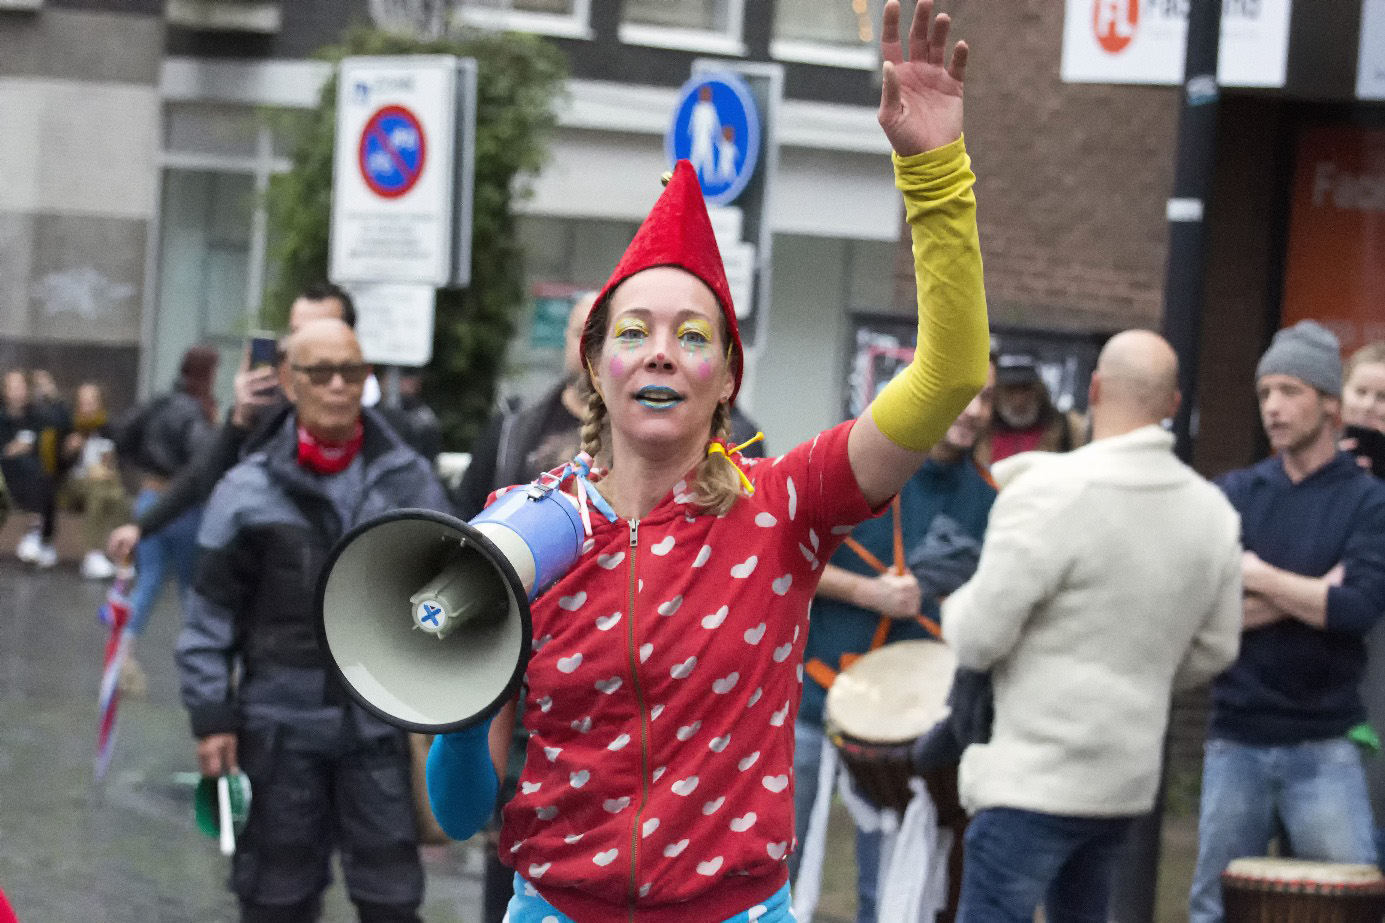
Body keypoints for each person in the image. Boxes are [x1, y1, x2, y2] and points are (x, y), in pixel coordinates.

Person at [424, 2, 990, 920]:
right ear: (594, 365)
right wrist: (448, 696)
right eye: (633, 331)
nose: (658, 352)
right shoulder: (519, 526)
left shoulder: (786, 504)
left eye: (692, 336)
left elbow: (952, 369)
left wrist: (932, 173)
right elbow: (459, 814)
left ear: (727, 374)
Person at [939, 330, 1243, 921]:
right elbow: (1216, 647)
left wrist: (954, 606)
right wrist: (1143, 670)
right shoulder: (1214, 513)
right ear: (1174, 406)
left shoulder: (1050, 491)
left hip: (1030, 780)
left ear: (1095, 389)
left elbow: (979, 637)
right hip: (1124, 783)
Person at [176, 319, 452, 923]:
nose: (336, 385)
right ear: (286, 381)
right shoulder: (245, 490)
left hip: (381, 729)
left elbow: (453, 596)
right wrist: (210, 717)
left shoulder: (409, 479)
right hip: (276, 729)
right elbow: (209, 614)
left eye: (351, 371)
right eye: (318, 372)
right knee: (275, 898)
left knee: (392, 899)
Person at [1189, 320, 1385, 923]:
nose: (1273, 407)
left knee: (1354, 907)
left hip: (1325, 740)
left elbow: (1356, 609)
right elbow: (1207, 615)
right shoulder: (1235, 495)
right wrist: (1313, 591)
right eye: (1265, 392)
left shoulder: (1368, 500)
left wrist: (1258, 574)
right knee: (1214, 909)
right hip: (1236, 737)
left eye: (1290, 391)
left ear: (1330, 402)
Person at [793, 357, 997, 922]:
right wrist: (867, 592)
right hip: (815, 699)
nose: (975, 410)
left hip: (907, 724)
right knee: (774, 864)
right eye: (965, 393)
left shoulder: (987, 499)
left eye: (986, 398)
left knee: (886, 891)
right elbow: (790, 557)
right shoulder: (859, 465)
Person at [106, 283, 358, 565]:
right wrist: (239, 420)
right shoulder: (267, 410)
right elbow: (206, 479)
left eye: (318, 332)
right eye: (296, 332)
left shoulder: (377, 429)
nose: (298, 345)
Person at [121, 346, 218, 637]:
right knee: (191, 586)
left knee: (148, 578)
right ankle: (201, 654)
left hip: (149, 498)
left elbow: (123, 433)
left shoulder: (158, 404)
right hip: (183, 506)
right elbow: (203, 461)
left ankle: (122, 653)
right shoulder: (196, 412)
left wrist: (136, 470)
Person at [60, 383, 129, 580]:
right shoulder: (68, 425)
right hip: (72, 485)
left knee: (118, 496)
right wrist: (69, 451)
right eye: (84, 403)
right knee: (101, 490)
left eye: (93, 402)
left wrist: (109, 466)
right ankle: (93, 554)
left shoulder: (110, 428)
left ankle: (123, 555)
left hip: (104, 484)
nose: (88, 407)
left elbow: (119, 463)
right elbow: (56, 466)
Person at [974, 353, 1085, 466]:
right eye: (1010, 390)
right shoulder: (977, 429)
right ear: (997, 392)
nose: (1019, 400)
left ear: (1039, 389)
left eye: (1025, 388)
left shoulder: (1068, 429)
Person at [1, 370, 61, 568]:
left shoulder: (36, 415)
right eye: (13, 387)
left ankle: (39, 536)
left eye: (22, 387)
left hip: (32, 479)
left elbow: (62, 424)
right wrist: (8, 450)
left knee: (44, 476)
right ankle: (38, 535)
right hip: (5, 475)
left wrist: (52, 396)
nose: (18, 392)